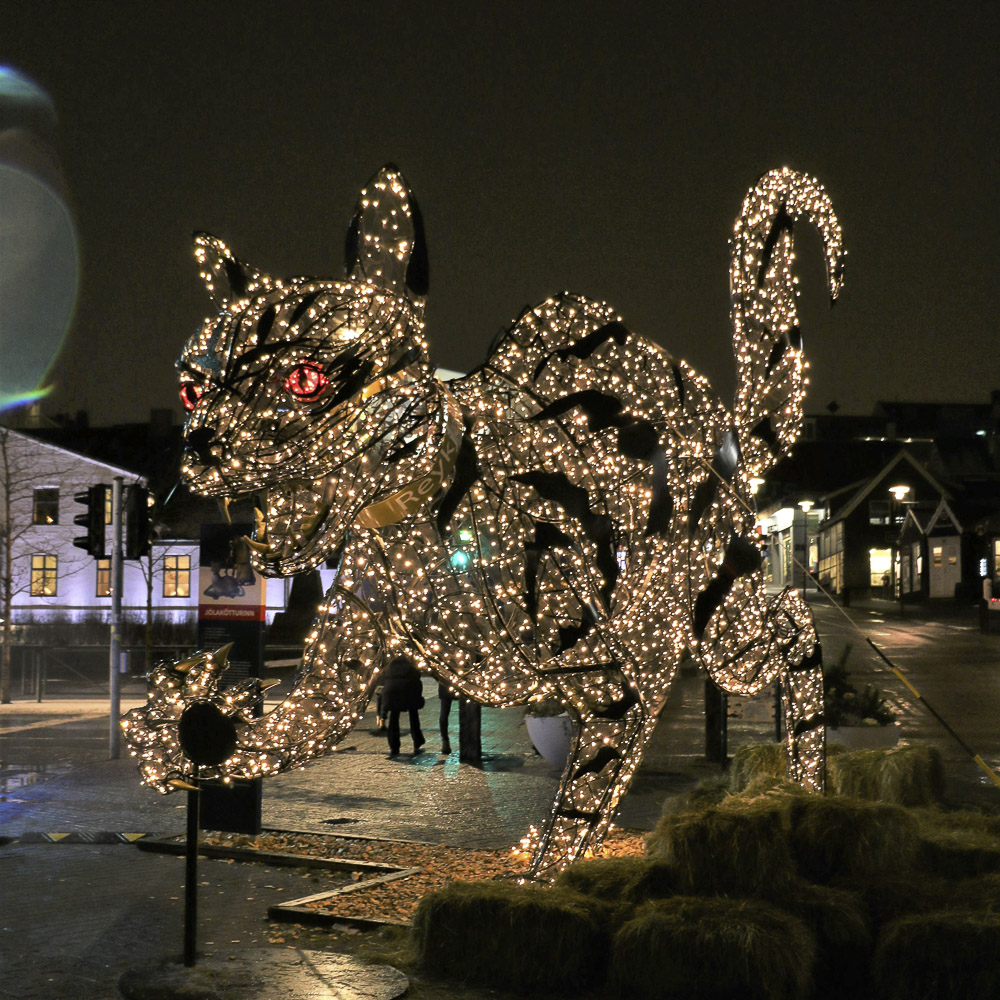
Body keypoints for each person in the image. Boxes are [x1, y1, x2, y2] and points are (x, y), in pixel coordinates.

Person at [379, 655, 425, 756]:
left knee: (394, 720)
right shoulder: (413, 670)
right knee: (414, 718)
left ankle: (394, 747)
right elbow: (418, 685)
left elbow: (386, 689)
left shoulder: (390, 671)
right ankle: (417, 742)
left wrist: (383, 712)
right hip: (409, 696)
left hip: (393, 698)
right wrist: (419, 699)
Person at [438, 682, 454, 754]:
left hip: (445, 685)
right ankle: (467, 741)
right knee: (465, 713)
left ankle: (445, 741)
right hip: (460, 685)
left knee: (444, 714)